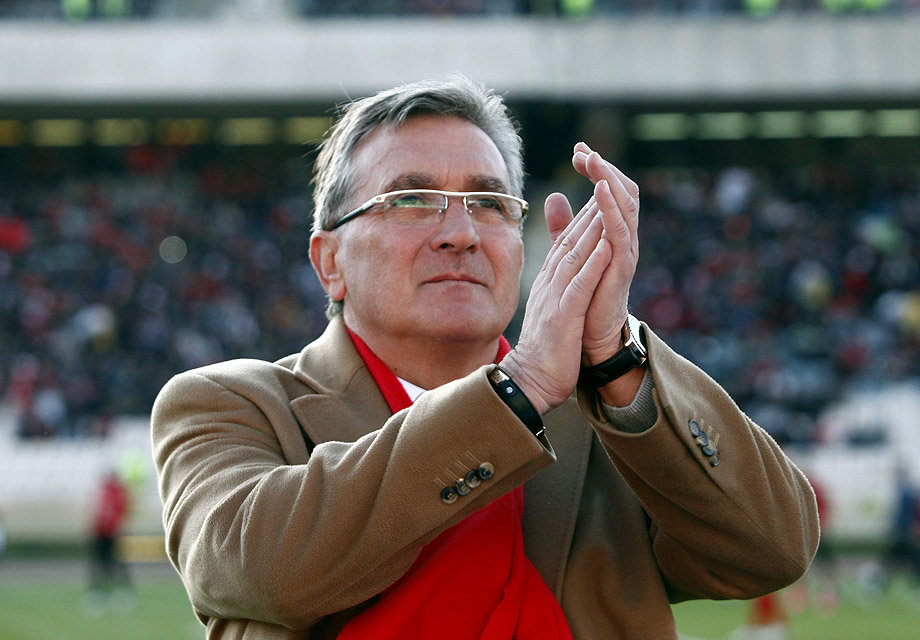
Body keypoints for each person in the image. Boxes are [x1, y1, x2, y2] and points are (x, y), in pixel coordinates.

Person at [151, 75, 820, 640]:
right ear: (329, 262)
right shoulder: (229, 405)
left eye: (490, 203)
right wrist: (516, 391)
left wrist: (615, 358)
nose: (461, 233)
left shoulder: (612, 419)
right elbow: (267, 571)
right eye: (411, 199)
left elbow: (772, 550)